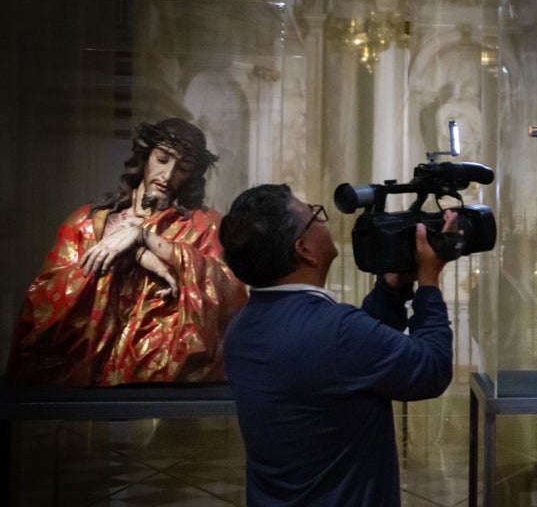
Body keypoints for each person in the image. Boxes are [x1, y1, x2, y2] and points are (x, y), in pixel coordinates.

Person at [218, 184, 458, 506]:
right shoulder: (337, 332)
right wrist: (429, 284)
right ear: (303, 249)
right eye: (314, 215)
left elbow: (345, 366)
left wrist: (390, 288)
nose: (323, 219)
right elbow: (432, 369)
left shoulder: (242, 327)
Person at [7, 118, 248, 386]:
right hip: (85, 386)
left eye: (183, 167)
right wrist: (130, 256)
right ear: (144, 156)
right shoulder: (86, 225)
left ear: (193, 174)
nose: (167, 176)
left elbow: (229, 293)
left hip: (166, 380)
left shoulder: (207, 226)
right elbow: (43, 304)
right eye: (162, 158)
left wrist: (148, 239)